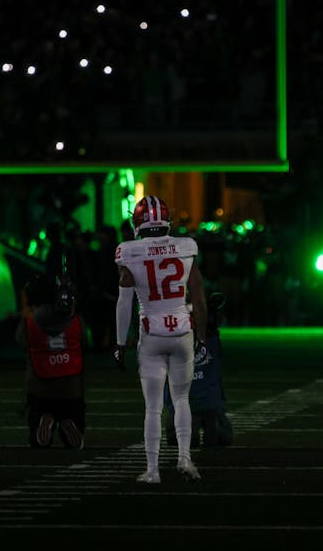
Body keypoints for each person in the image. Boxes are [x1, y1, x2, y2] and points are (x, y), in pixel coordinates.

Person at [113, 195, 207, 483]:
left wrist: (119, 343)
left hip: (151, 332)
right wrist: (202, 338)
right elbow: (199, 299)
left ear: (138, 221)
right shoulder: (186, 246)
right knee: (181, 399)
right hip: (182, 330)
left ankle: (153, 470)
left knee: (153, 406)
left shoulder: (128, 251)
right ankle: (185, 460)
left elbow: (124, 302)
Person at [15, 274, 85, 449]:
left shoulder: (29, 320)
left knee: (37, 414)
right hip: (71, 387)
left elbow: (20, 340)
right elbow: (84, 337)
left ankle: (43, 418)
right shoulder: (73, 318)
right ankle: (69, 421)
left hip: (40, 386)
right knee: (74, 410)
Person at [164, 291, 233, 448]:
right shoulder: (209, 335)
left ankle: (187, 428)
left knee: (181, 435)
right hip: (208, 397)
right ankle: (200, 425)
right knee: (219, 434)